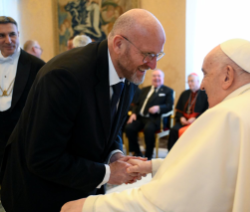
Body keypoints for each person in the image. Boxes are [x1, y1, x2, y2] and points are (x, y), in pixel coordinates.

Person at [61, 38, 250, 212]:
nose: (203, 84)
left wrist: (89, 206)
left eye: (206, 73)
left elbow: (169, 201)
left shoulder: (229, 115)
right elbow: (214, 168)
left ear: (228, 75)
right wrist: (153, 165)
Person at [0, 9, 166, 212]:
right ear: (118, 44)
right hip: (39, 194)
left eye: (157, 55)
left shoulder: (130, 72)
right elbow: (42, 158)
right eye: (148, 54)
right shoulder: (65, 77)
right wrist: (108, 173)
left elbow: (109, 128)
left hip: (80, 190)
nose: (153, 64)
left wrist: (115, 155)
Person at [0, 16, 45, 181]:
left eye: (12, 34)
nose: (8, 40)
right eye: (2, 35)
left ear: (19, 34)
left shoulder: (37, 66)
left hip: (24, 138)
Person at [125, 69, 174, 160]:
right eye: (154, 76)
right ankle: (136, 152)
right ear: (151, 78)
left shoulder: (168, 91)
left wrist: (159, 108)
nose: (156, 78)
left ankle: (148, 155)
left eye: (159, 76)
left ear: (163, 78)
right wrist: (134, 114)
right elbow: (137, 104)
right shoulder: (144, 90)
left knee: (149, 129)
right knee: (129, 127)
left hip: (154, 119)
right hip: (140, 117)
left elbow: (169, 106)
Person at [167, 73, 208, 150]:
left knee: (191, 132)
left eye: (192, 81)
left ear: (198, 81)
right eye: (188, 81)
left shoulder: (205, 93)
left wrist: (195, 119)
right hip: (184, 121)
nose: (189, 83)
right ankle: (171, 155)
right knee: (173, 130)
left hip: (197, 122)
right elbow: (178, 111)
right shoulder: (184, 94)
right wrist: (181, 118)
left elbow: (207, 111)